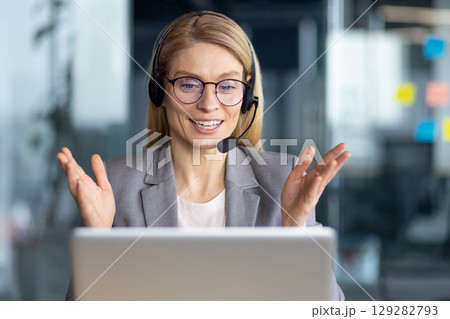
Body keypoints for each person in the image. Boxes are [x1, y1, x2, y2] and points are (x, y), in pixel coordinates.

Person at [57, 11, 350, 300]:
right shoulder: (116, 187)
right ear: (159, 89)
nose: (209, 104)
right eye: (188, 84)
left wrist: (297, 232)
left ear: (247, 96)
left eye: (227, 86)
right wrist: (96, 241)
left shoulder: (282, 181)